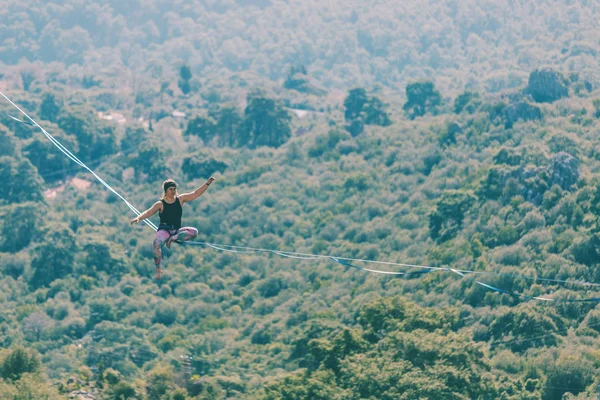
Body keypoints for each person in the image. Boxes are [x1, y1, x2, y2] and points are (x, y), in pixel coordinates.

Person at [130, 177, 215, 279]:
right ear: (166, 190)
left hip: (176, 231)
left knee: (194, 232)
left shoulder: (180, 199)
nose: (173, 191)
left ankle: (172, 239)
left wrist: (207, 184)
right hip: (164, 230)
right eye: (170, 189)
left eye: (174, 189)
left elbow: (196, 193)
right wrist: (138, 218)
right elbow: (149, 212)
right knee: (156, 245)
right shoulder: (160, 204)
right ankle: (158, 269)